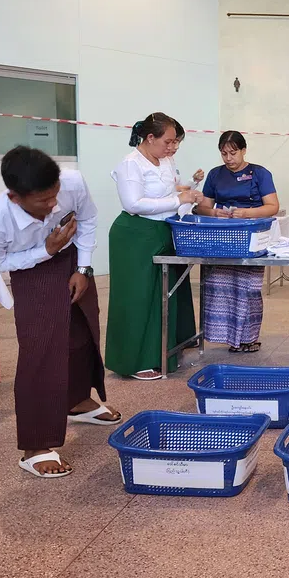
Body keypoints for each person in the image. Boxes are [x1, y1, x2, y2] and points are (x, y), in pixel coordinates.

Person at [0, 146, 119, 479]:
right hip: (30, 269)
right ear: (14, 197)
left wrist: (83, 267)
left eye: (55, 195)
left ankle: (77, 401)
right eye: (43, 201)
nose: (53, 205)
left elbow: (88, 218)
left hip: (71, 258)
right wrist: (45, 251)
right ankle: (35, 446)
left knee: (83, 331)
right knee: (41, 351)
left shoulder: (72, 182)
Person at [105, 112, 203, 380]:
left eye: (175, 143)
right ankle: (135, 361)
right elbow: (134, 203)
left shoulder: (166, 160)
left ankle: (164, 351)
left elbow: (169, 191)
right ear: (150, 138)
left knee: (166, 294)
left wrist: (187, 194)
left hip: (163, 230)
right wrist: (178, 200)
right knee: (139, 298)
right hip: (135, 236)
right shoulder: (131, 164)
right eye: (168, 142)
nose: (172, 147)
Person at [196, 131, 280, 352]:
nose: (229, 158)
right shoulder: (215, 175)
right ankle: (224, 337)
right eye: (224, 154)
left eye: (233, 153)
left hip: (250, 237)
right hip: (222, 237)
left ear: (244, 150)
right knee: (220, 286)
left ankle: (248, 338)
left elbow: (273, 206)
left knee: (248, 288)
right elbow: (202, 207)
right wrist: (214, 213)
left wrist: (247, 213)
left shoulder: (260, 173)